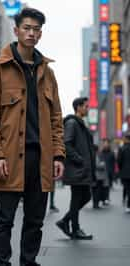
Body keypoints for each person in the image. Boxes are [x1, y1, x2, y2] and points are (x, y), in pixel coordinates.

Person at [0, 7, 65, 266]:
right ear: (16, 31)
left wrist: (58, 154)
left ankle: (29, 262)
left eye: (36, 29)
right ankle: (0, 263)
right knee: (5, 218)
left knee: (35, 220)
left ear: (40, 34)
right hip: (9, 157)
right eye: (27, 28)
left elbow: (55, 118)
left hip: (41, 159)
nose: (31, 33)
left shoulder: (47, 73)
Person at [56, 97, 95, 240]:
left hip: (80, 169)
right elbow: (67, 144)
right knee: (78, 197)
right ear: (78, 107)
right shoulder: (72, 123)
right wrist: (80, 160)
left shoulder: (80, 123)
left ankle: (65, 222)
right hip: (76, 168)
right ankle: (75, 228)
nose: (88, 108)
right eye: (86, 106)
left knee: (84, 196)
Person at [92, 145, 109, 209]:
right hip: (98, 176)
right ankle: (96, 204)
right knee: (97, 190)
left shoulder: (91, 155)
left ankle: (95, 203)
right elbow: (97, 165)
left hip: (93, 175)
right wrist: (103, 164)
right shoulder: (96, 155)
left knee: (94, 190)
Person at [117, 132, 130, 213]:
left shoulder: (122, 148)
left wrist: (121, 169)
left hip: (125, 173)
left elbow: (119, 161)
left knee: (128, 189)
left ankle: (128, 205)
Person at [101, 139, 115, 203]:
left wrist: (113, 172)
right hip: (102, 172)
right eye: (104, 143)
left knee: (107, 186)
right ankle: (104, 198)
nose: (105, 145)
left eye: (106, 143)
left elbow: (113, 163)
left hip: (109, 172)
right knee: (102, 186)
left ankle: (107, 197)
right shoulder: (101, 153)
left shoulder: (112, 153)